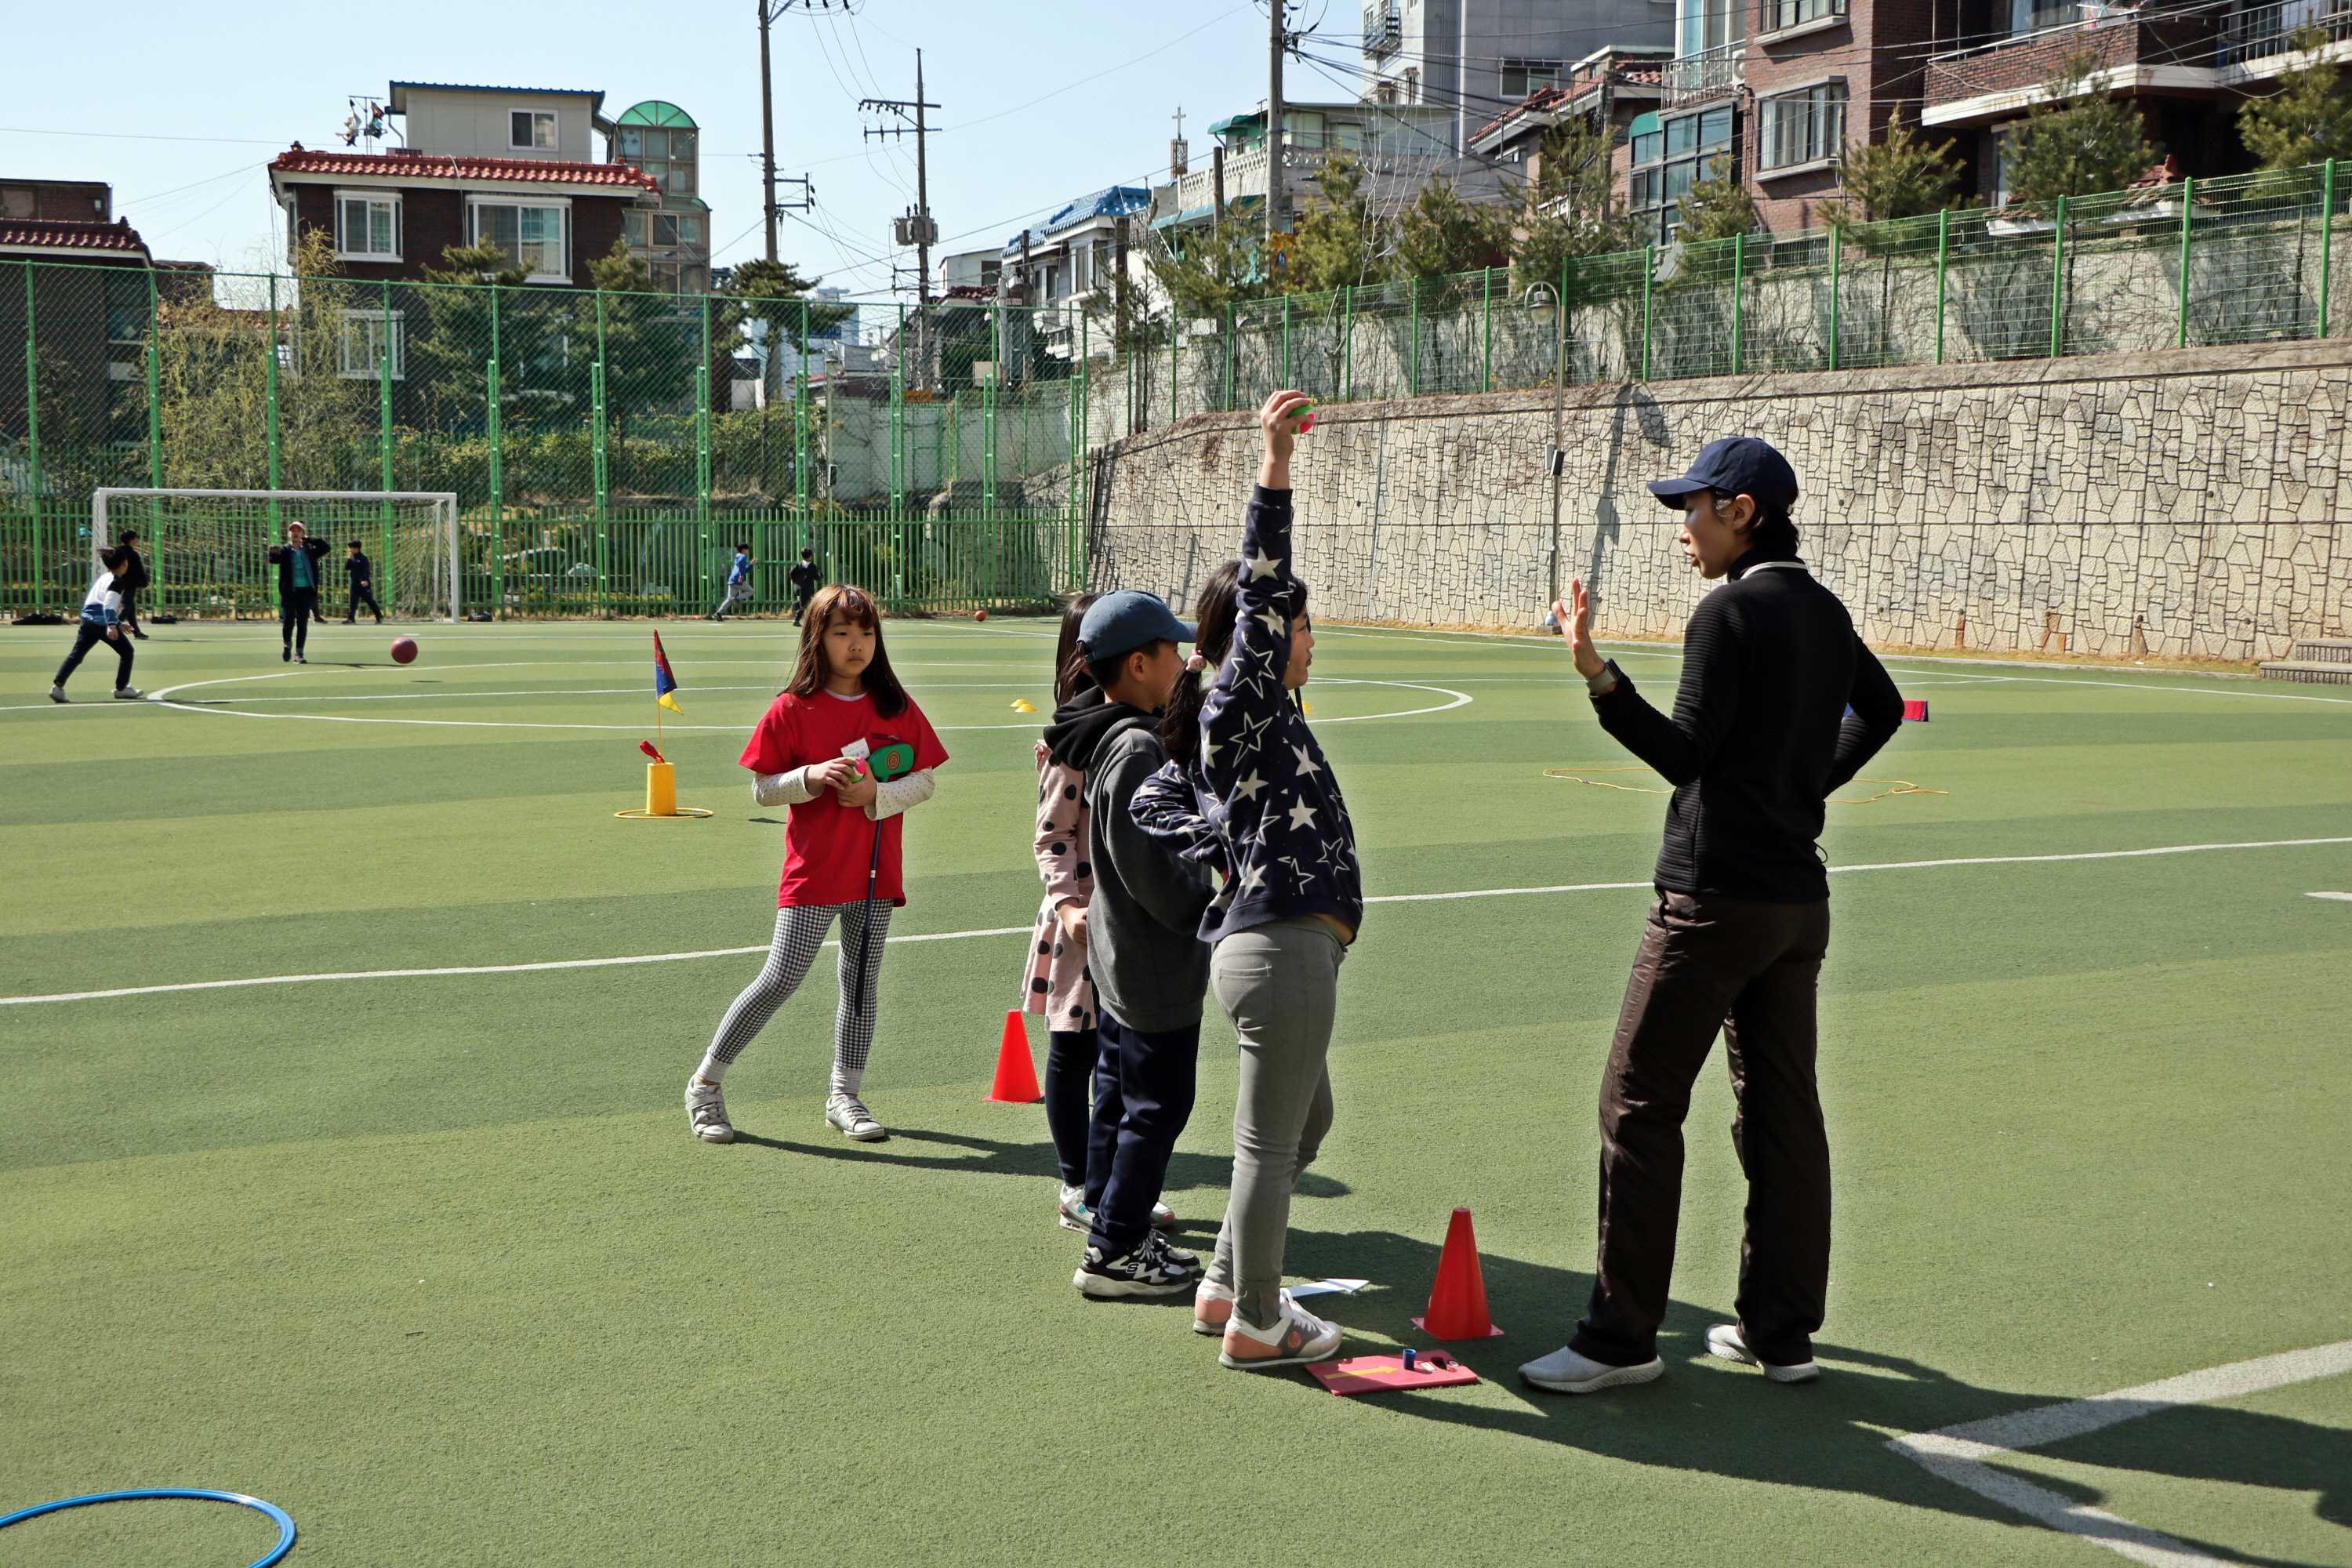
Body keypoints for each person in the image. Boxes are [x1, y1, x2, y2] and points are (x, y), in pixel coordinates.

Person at [1518, 437, 1905, 1397]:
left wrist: (1598, 675)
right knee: (1782, 1110)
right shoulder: (1823, 609)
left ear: (1741, 512)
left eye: (1692, 509)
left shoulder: (1728, 610)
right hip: (1796, 905)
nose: (1682, 528)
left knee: (1636, 1100)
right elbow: (1884, 707)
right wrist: (1803, 789)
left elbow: (1685, 753)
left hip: (1713, 900)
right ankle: (1782, 1333)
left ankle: (1619, 1338)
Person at [1132, 389, 1363, 1370]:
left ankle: (1225, 1279)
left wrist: (1220, 838)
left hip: (1267, 944)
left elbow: (1157, 802)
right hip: (1281, 944)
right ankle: (1261, 1320)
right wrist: (1276, 462)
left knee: (1307, 1119)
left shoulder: (1232, 718)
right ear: (1257, 639)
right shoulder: (1245, 695)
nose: (1308, 639)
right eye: (1300, 626)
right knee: (1271, 1142)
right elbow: (1262, 590)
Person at [685, 584, 949, 1145]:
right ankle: (705, 1084)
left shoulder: (896, 706)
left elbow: (925, 781)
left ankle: (844, 1096)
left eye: (866, 633)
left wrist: (878, 795)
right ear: (816, 638)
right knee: (780, 977)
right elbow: (762, 790)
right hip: (813, 873)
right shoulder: (791, 709)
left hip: (876, 875)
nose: (857, 645)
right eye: (842, 633)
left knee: (860, 985)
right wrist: (809, 777)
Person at [1052, 589, 1215, 1299]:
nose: (1182, 661)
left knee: (1118, 1099)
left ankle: (1105, 1214)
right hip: (1151, 965)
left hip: (1121, 960)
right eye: (1173, 650)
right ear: (1141, 665)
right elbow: (1150, 866)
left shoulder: (1114, 729)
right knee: (1157, 1108)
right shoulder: (1135, 747)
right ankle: (1114, 1250)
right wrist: (1212, 908)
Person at [1024, 593, 1104, 1226]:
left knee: (1121, 1058)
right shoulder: (1070, 742)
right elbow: (1052, 834)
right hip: (1082, 920)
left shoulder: (1142, 728)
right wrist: (1068, 905)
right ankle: (1077, 1185)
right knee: (1074, 1050)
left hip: (1130, 920)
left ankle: (1112, 1184)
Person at [47, 547, 143, 703]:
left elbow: (95, 603)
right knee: (127, 652)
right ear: (125, 563)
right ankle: (121, 689)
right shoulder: (118, 581)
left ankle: (58, 687)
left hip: (87, 620)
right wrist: (112, 625)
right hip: (101, 623)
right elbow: (108, 605)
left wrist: (118, 623)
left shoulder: (104, 577)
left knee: (77, 654)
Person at [267, 520, 329, 663]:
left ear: (303, 533)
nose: (295, 533)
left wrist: (309, 539)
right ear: (289, 533)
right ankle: (287, 644)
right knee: (288, 622)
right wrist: (273, 553)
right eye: (293, 531)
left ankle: (299, 653)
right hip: (289, 592)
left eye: (299, 531)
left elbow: (325, 547)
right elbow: (274, 560)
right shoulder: (285, 550)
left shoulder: (308, 550)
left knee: (302, 622)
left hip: (305, 591)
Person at [114, 528, 151, 640]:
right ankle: (116, 625)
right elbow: (139, 569)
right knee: (127, 605)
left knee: (130, 606)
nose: (137, 540)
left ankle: (136, 631)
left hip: (118, 579)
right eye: (136, 538)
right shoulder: (133, 554)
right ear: (131, 541)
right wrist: (144, 582)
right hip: (131, 582)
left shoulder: (117, 552)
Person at [711, 543, 756, 620]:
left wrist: (751, 565)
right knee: (751, 591)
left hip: (732, 580)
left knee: (729, 599)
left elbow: (743, 569)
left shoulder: (737, 556)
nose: (748, 551)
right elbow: (741, 566)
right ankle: (737, 599)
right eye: (747, 550)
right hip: (738, 579)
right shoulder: (743, 556)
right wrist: (741, 575)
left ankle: (718, 613)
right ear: (743, 550)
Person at [343, 540, 384, 624]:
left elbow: (366, 570)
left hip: (363, 584)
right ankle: (351, 618)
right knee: (353, 601)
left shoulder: (363, 558)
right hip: (354, 583)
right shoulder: (352, 558)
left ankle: (379, 616)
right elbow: (347, 567)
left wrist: (365, 580)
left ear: (356, 548)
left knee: (369, 600)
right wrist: (349, 559)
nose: (350, 550)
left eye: (352, 548)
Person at [789, 548, 819, 625]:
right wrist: (820, 575)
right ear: (811, 556)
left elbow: (791, 573)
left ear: (802, 556)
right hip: (806, 587)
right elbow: (816, 577)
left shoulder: (798, 565)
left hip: (798, 587)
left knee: (806, 601)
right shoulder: (812, 566)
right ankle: (796, 619)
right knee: (804, 604)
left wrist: (795, 581)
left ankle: (797, 604)